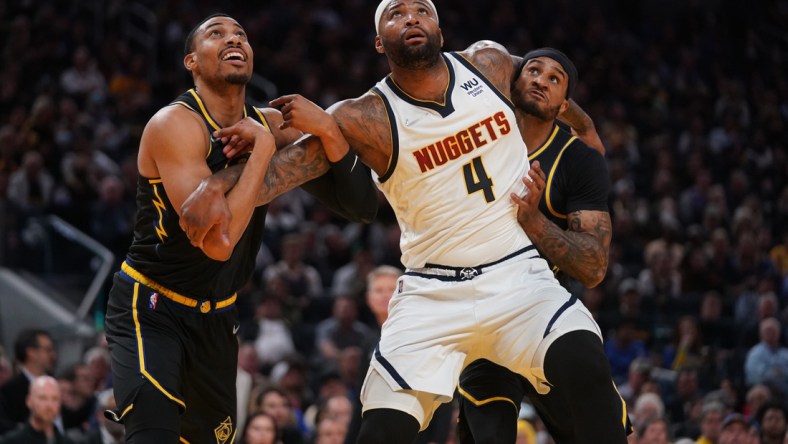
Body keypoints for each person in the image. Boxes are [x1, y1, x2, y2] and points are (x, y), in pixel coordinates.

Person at [182, 2, 628, 443]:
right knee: (381, 431)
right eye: (396, 14)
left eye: (421, 10)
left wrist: (582, 124)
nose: (411, 18)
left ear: (439, 28)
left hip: (518, 276)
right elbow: (283, 170)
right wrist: (211, 187)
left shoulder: (489, 63)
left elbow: (540, 83)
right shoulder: (366, 116)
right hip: (432, 292)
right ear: (379, 41)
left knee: (586, 364)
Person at [103, 13, 377, 444]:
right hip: (153, 307)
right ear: (191, 61)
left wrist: (325, 125)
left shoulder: (268, 120)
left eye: (241, 35)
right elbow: (217, 245)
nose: (234, 39)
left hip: (219, 314)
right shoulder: (175, 125)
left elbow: (361, 205)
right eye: (217, 33)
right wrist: (265, 147)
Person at [453, 47, 622, 443]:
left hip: (542, 313)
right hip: (480, 312)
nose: (540, 80)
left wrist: (533, 220)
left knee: (598, 424)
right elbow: (471, 61)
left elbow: (594, 268)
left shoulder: (578, 159)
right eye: (533, 70)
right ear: (512, 83)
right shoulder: (474, 138)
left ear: (564, 103)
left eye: (554, 79)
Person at [0, 329, 58, 434]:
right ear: (31, 352)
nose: (53, 355)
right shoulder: (9, 391)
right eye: (48, 350)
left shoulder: (57, 384)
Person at [0, 376, 75, 444]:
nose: (49, 405)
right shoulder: (11, 442)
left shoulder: (68, 442)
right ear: (29, 401)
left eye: (55, 399)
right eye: (43, 398)